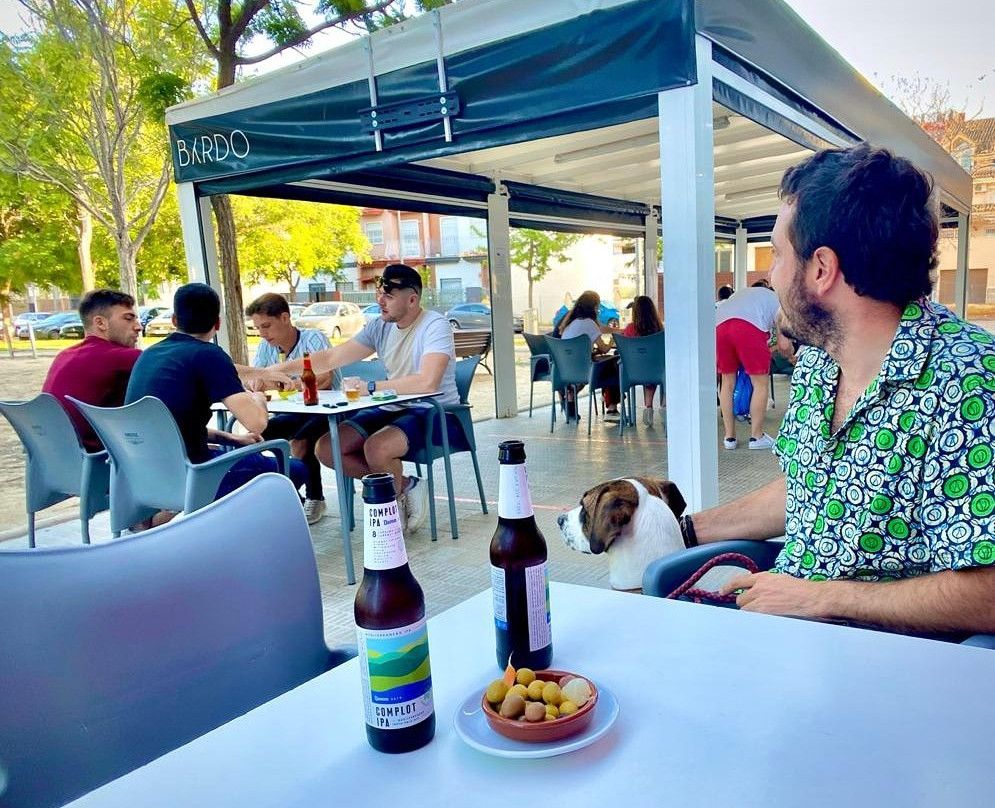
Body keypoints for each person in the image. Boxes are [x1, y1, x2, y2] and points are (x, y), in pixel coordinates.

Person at [678, 143, 995, 637]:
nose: (772, 276)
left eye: (779, 254)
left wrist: (820, 598)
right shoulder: (818, 361)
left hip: (883, 664)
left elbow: (989, 593)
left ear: (822, 269)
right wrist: (682, 530)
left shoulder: (969, 383)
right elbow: (811, 489)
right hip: (783, 632)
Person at [244, 264, 458, 533]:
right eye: (379, 294)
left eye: (388, 296)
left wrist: (371, 386)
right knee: (327, 448)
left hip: (436, 409)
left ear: (412, 300)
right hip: (393, 406)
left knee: (377, 448)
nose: (380, 301)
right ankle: (405, 485)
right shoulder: (380, 326)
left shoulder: (435, 325)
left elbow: (427, 382)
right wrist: (269, 372)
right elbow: (331, 357)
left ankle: (389, 520)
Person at [126, 283, 307, 502]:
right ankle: (199, 511)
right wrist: (258, 399)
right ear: (218, 323)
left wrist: (232, 438)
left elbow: (173, 426)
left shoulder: (149, 355)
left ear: (174, 320)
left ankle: (167, 514)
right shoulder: (209, 355)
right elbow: (257, 423)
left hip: (144, 474)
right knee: (296, 469)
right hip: (196, 472)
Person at [245, 292, 336, 525]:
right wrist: (256, 382)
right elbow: (256, 378)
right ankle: (288, 497)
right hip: (294, 411)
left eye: (266, 326)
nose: (262, 333)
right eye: (257, 328)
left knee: (300, 442)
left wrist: (288, 383)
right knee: (253, 437)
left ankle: (315, 498)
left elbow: (324, 378)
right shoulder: (266, 347)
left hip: (327, 409)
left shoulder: (313, 338)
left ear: (285, 318)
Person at [42, 289, 143, 451]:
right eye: (128, 318)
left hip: (55, 453)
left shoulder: (64, 355)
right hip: (101, 457)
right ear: (100, 323)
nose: (138, 327)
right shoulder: (123, 357)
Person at [715, 280, 779, 449]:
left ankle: (729, 438)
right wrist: (791, 355)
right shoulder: (778, 300)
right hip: (748, 327)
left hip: (719, 326)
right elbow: (784, 342)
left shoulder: (745, 294)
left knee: (727, 382)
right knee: (760, 383)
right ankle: (756, 437)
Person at [555, 290, 621, 422]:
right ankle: (612, 408)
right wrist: (613, 339)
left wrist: (592, 351)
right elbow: (604, 349)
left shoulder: (569, 323)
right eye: (598, 306)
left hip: (566, 368)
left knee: (602, 362)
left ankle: (570, 397)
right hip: (584, 369)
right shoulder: (589, 323)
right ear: (594, 307)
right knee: (615, 363)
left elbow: (577, 349)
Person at [622, 295, 665, 426]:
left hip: (634, 371)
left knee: (646, 370)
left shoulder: (630, 329)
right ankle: (664, 405)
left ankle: (648, 407)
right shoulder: (659, 329)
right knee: (665, 370)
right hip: (656, 371)